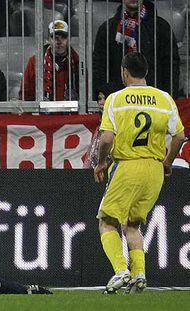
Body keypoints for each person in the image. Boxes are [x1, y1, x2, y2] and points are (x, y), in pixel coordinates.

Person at [94, 52, 185, 294]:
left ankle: (121, 270)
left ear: (125, 71)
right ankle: (139, 275)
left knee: (107, 222)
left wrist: (101, 163)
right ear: (145, 72)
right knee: (132, 225)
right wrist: (167, 162)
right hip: (154, 169)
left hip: (127, 165)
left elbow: (106, 140)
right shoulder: (164, 99)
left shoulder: (116, 99)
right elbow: (178, 137)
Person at [93, 0, 180, 102]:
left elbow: (170, 66)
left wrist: (169, 98)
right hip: (118, 101)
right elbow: (99, 65)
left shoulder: (161, 27)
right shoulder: (107, 29)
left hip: (152, 101)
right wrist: (105, 95)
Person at [20, 20, 79, 101]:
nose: (59, 42)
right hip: (42, 112)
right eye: (55, 37)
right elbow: (26, 93)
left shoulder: (77, 62)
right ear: (48, 39)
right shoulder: (35, 62)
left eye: (63, 37)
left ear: (69, 39)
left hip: (72, 112)